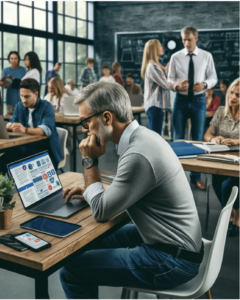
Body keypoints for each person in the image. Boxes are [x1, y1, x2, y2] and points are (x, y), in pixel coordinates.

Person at [59, 82, 203, 298]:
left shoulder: (138, 154)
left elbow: (100, 212)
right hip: (172, 243)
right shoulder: (144, 137)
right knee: (85, 243)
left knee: (71, 271)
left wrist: (89, 160)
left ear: (107, 118)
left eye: (86, 121)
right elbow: (116, 197)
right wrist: (91, 191)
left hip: (172, 259)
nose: (84, 129)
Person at [168, 26, 217, 190]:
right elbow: (170, 81)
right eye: (183, 39)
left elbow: (213, 78)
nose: (186, 43)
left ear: (196, 39)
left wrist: (205, 84)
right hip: (180, 101)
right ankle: (177, 176)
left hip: (199, 101)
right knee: (178, 139)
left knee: (197, 139)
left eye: (189, 39)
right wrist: (176, 86)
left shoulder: (206, 56)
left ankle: (195, 177)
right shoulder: (175, 57)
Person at [0, 78, 63, 178]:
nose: (23, 99)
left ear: (36, 94)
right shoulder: (19, 106)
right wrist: (9, 125)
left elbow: (46, 130)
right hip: (24, 147)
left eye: (27, 96)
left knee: (31, 175)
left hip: (45, 149)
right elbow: (12, 121)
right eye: (21, 96)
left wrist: (25, 130)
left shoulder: (46, 106)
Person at [204, 78, 239, 236]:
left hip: (238, 163)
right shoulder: (221, 111)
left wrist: (237, 141)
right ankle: (230, 213)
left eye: (238, 95)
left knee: (228, 186)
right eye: (231, 92)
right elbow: (207, 134)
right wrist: (213, 139)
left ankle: (236, 218)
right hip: (221, 159)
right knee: (216, 182)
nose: (232, 97)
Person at [141, 40, 187, 135]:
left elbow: (164, 80)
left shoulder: (155, 66)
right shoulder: (152, 66)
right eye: (160, 46)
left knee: (154, 136)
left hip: (155, 107)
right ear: (154, 49)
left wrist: (167, 69)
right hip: (155, 106)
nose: (162, 47)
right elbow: (165, 84)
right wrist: (178, 85)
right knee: (155, 137)